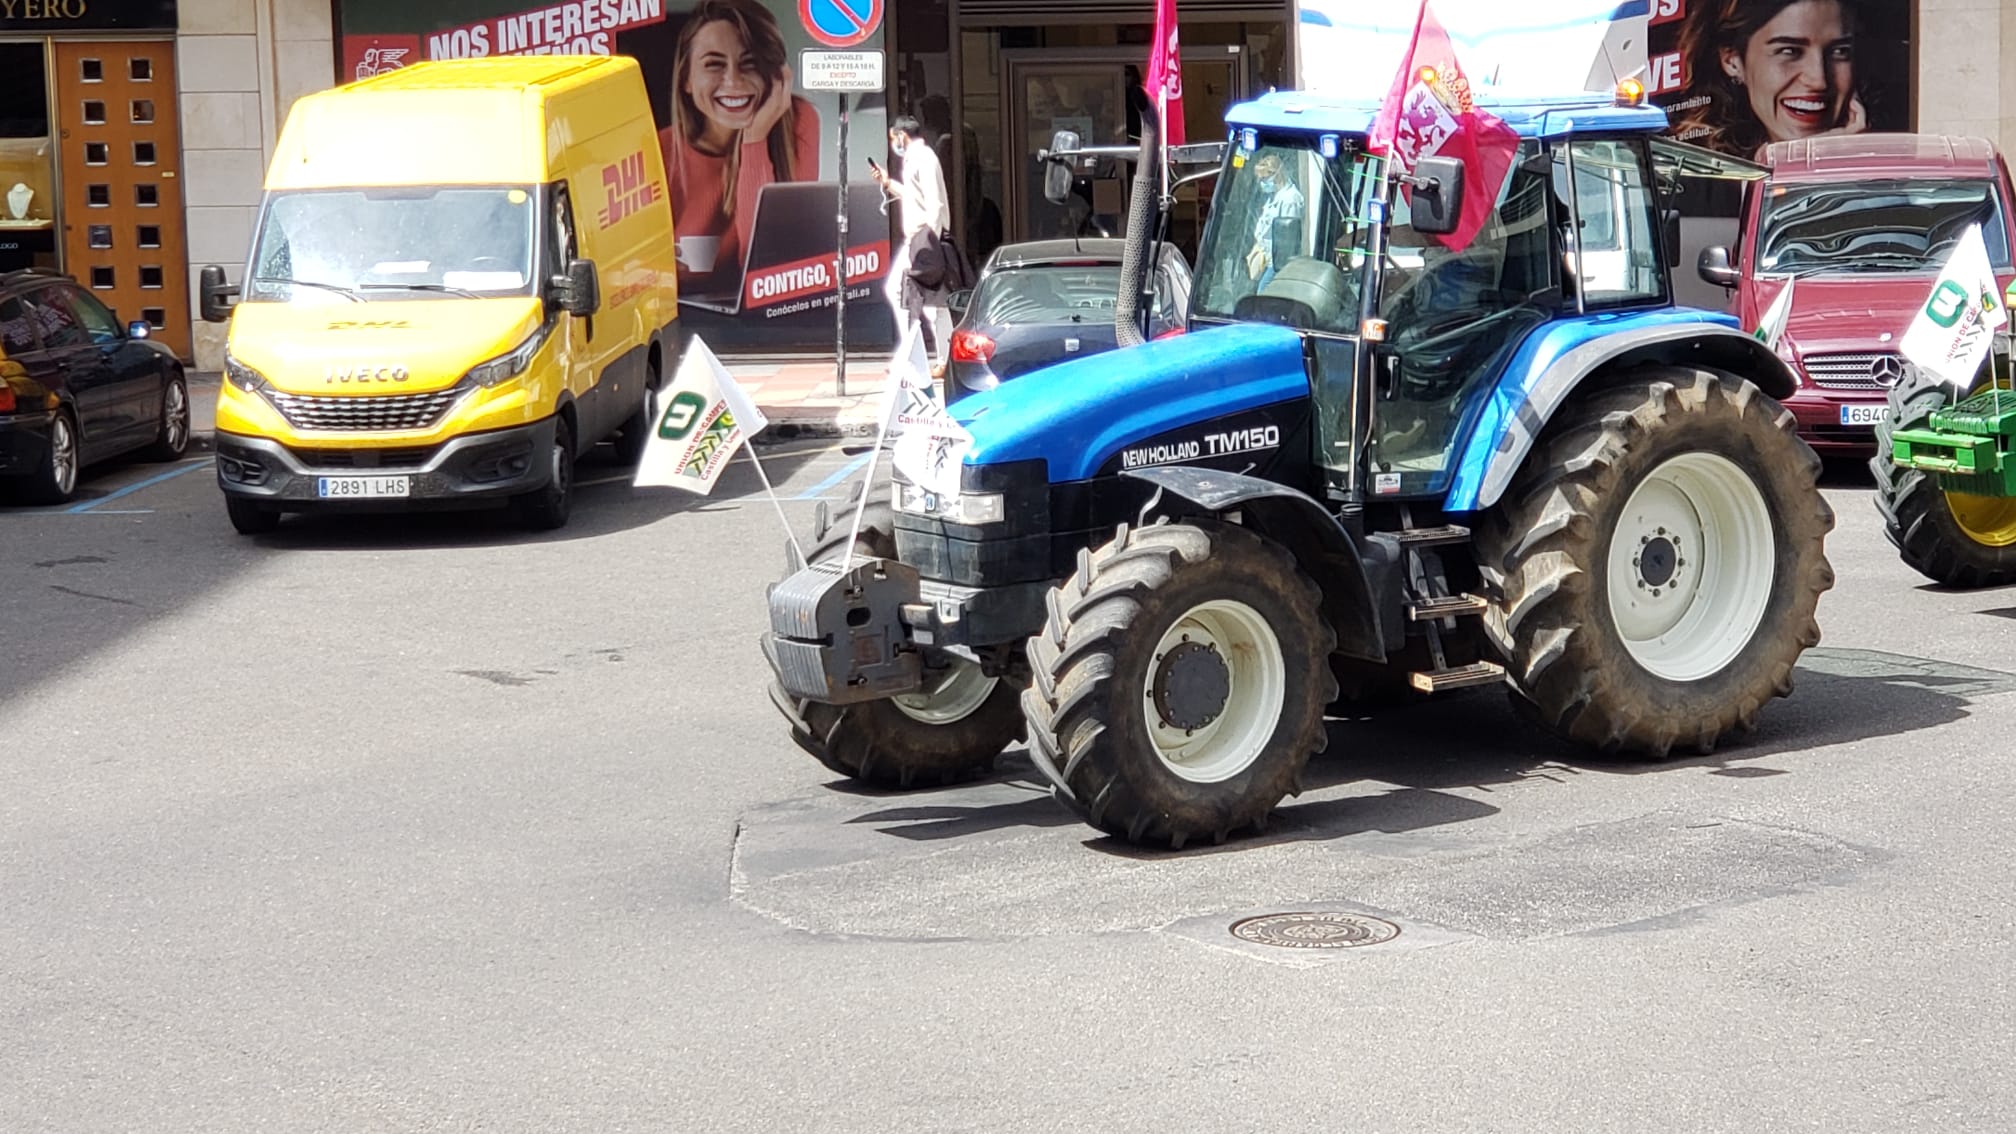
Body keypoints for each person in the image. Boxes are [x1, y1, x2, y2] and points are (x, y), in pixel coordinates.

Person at [660, 0, 820, 293]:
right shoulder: (657, 150)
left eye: (750, 63)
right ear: (686, 79)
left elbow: (767, 267)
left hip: (766, 316)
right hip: (681, 313)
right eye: (714, 64)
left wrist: (755, 138)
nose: (733, 80)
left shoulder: (799, 120)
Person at [1671, 0, 1866, 160]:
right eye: (1789, 51)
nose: (1819, 80)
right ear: (1733, 61)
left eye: (1839, 52)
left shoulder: (1879, 176)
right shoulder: (1698, 179)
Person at [873, 115, 957, 376]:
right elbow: (914, 195)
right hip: (919, 240)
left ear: (902, 135)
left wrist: (929, 244)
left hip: (924, 240)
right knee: (927, 302)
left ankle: (922, 358)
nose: (894, 144)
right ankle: (936, 358)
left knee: (914, 298)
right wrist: (887, 183)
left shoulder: (924, 158)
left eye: (893, 138)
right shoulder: (916, 160)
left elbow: (935, 204)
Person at [1247, 151, 1305, 291]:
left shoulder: (1290, 199)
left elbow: (1288, 237)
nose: (1262, 183)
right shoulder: (1274, 196)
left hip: (1278, 263)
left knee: (1262, 296)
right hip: (1267, 258)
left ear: (1276, 175)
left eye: (1264, 179)